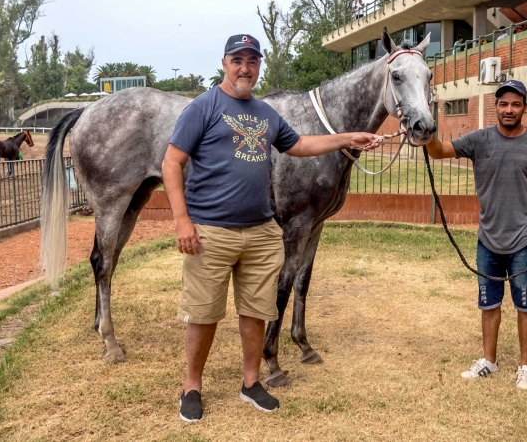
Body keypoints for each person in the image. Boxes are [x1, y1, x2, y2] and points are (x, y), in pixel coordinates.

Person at [163, 34, 381, 422]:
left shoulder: (265, 113)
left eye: (252, 60)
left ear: (259, 66)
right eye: (237, 60)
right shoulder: (203, 107)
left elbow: (300, 145)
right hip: (211, 229)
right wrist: (182, 220)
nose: (245, 67)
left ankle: (251, 382)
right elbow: (171, 162)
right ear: (224, 63)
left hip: (261, 230)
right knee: (203, 313)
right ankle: (192, 386)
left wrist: (348, 138)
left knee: (255, 310)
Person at [425, 79, 527, 391]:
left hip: (524, 240)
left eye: (515, 104)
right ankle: (488, 361)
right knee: (488, 304)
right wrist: (424, 127)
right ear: (496, 107)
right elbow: (438, 151)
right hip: (487, 240)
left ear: (524, 108)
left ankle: (525, 367)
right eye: (504, 103)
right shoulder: (480, 140)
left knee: (526, 306)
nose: (509, 109)